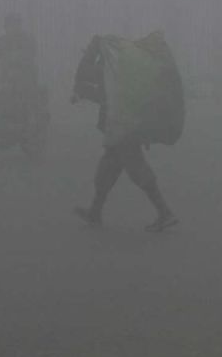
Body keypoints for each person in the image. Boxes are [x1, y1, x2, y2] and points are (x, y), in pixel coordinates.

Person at [71, 35, 178, 232]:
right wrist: (84, 93)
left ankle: (165, 212)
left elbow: (85, 73)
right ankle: (95, 212)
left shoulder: (109, 70)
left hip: (123, 129)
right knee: (106, 171)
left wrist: (92, 50)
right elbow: (106, 97)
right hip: (123, 127)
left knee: (138, 170)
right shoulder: (118, 72)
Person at [0, 13, 44, 127]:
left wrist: (20, 58)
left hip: (25, 76)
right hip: (6, 76)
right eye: (9, 25)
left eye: (14, 25)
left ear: (19, 26)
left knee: (22, 96)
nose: (11, 28)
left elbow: (31, 53)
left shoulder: (27, 40)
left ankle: (25, 122)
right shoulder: (2, 41)